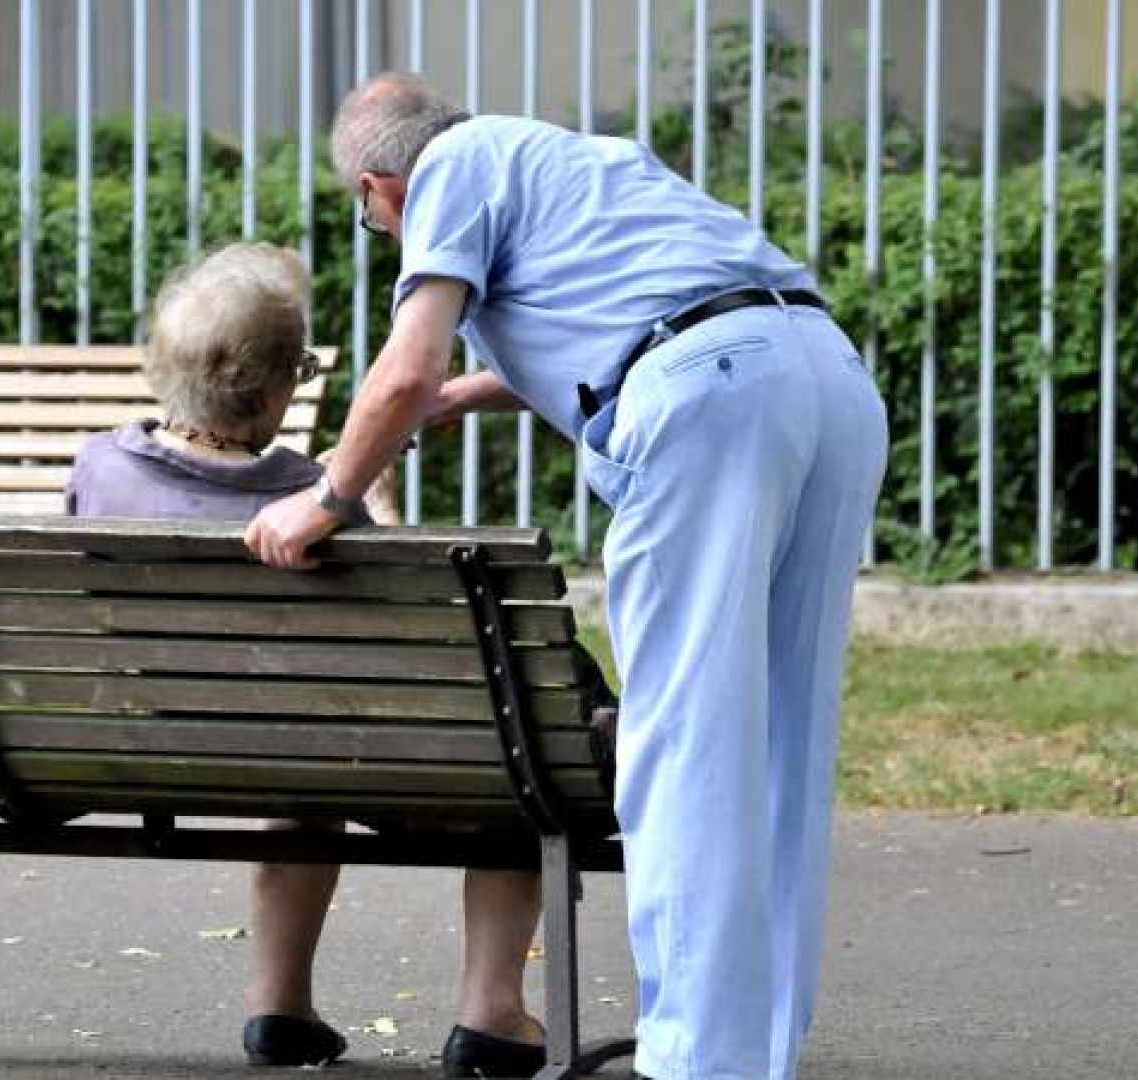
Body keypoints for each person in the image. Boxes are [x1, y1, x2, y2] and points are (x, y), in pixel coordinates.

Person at [244, 74, 889, 1080]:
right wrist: (461, 397)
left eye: (371, 219)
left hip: (710, 408)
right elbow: (636, 311)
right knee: (783, 739)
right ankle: (757, 1047)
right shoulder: (575, 157)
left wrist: (325, 496)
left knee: (682, 740)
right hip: (824, 379)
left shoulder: (445, 171)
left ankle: (694, 1061)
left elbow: (403, 367)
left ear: (380, 187)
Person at [67, 241, 555, 1077]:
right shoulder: (315, 496)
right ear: (273, 387)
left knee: (298, 785)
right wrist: (369, 502)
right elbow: (401, 643)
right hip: (304, 741)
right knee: (512, 797)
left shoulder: (100, 463)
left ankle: (282, 1009)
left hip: (160, 739)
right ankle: (491, 1015)